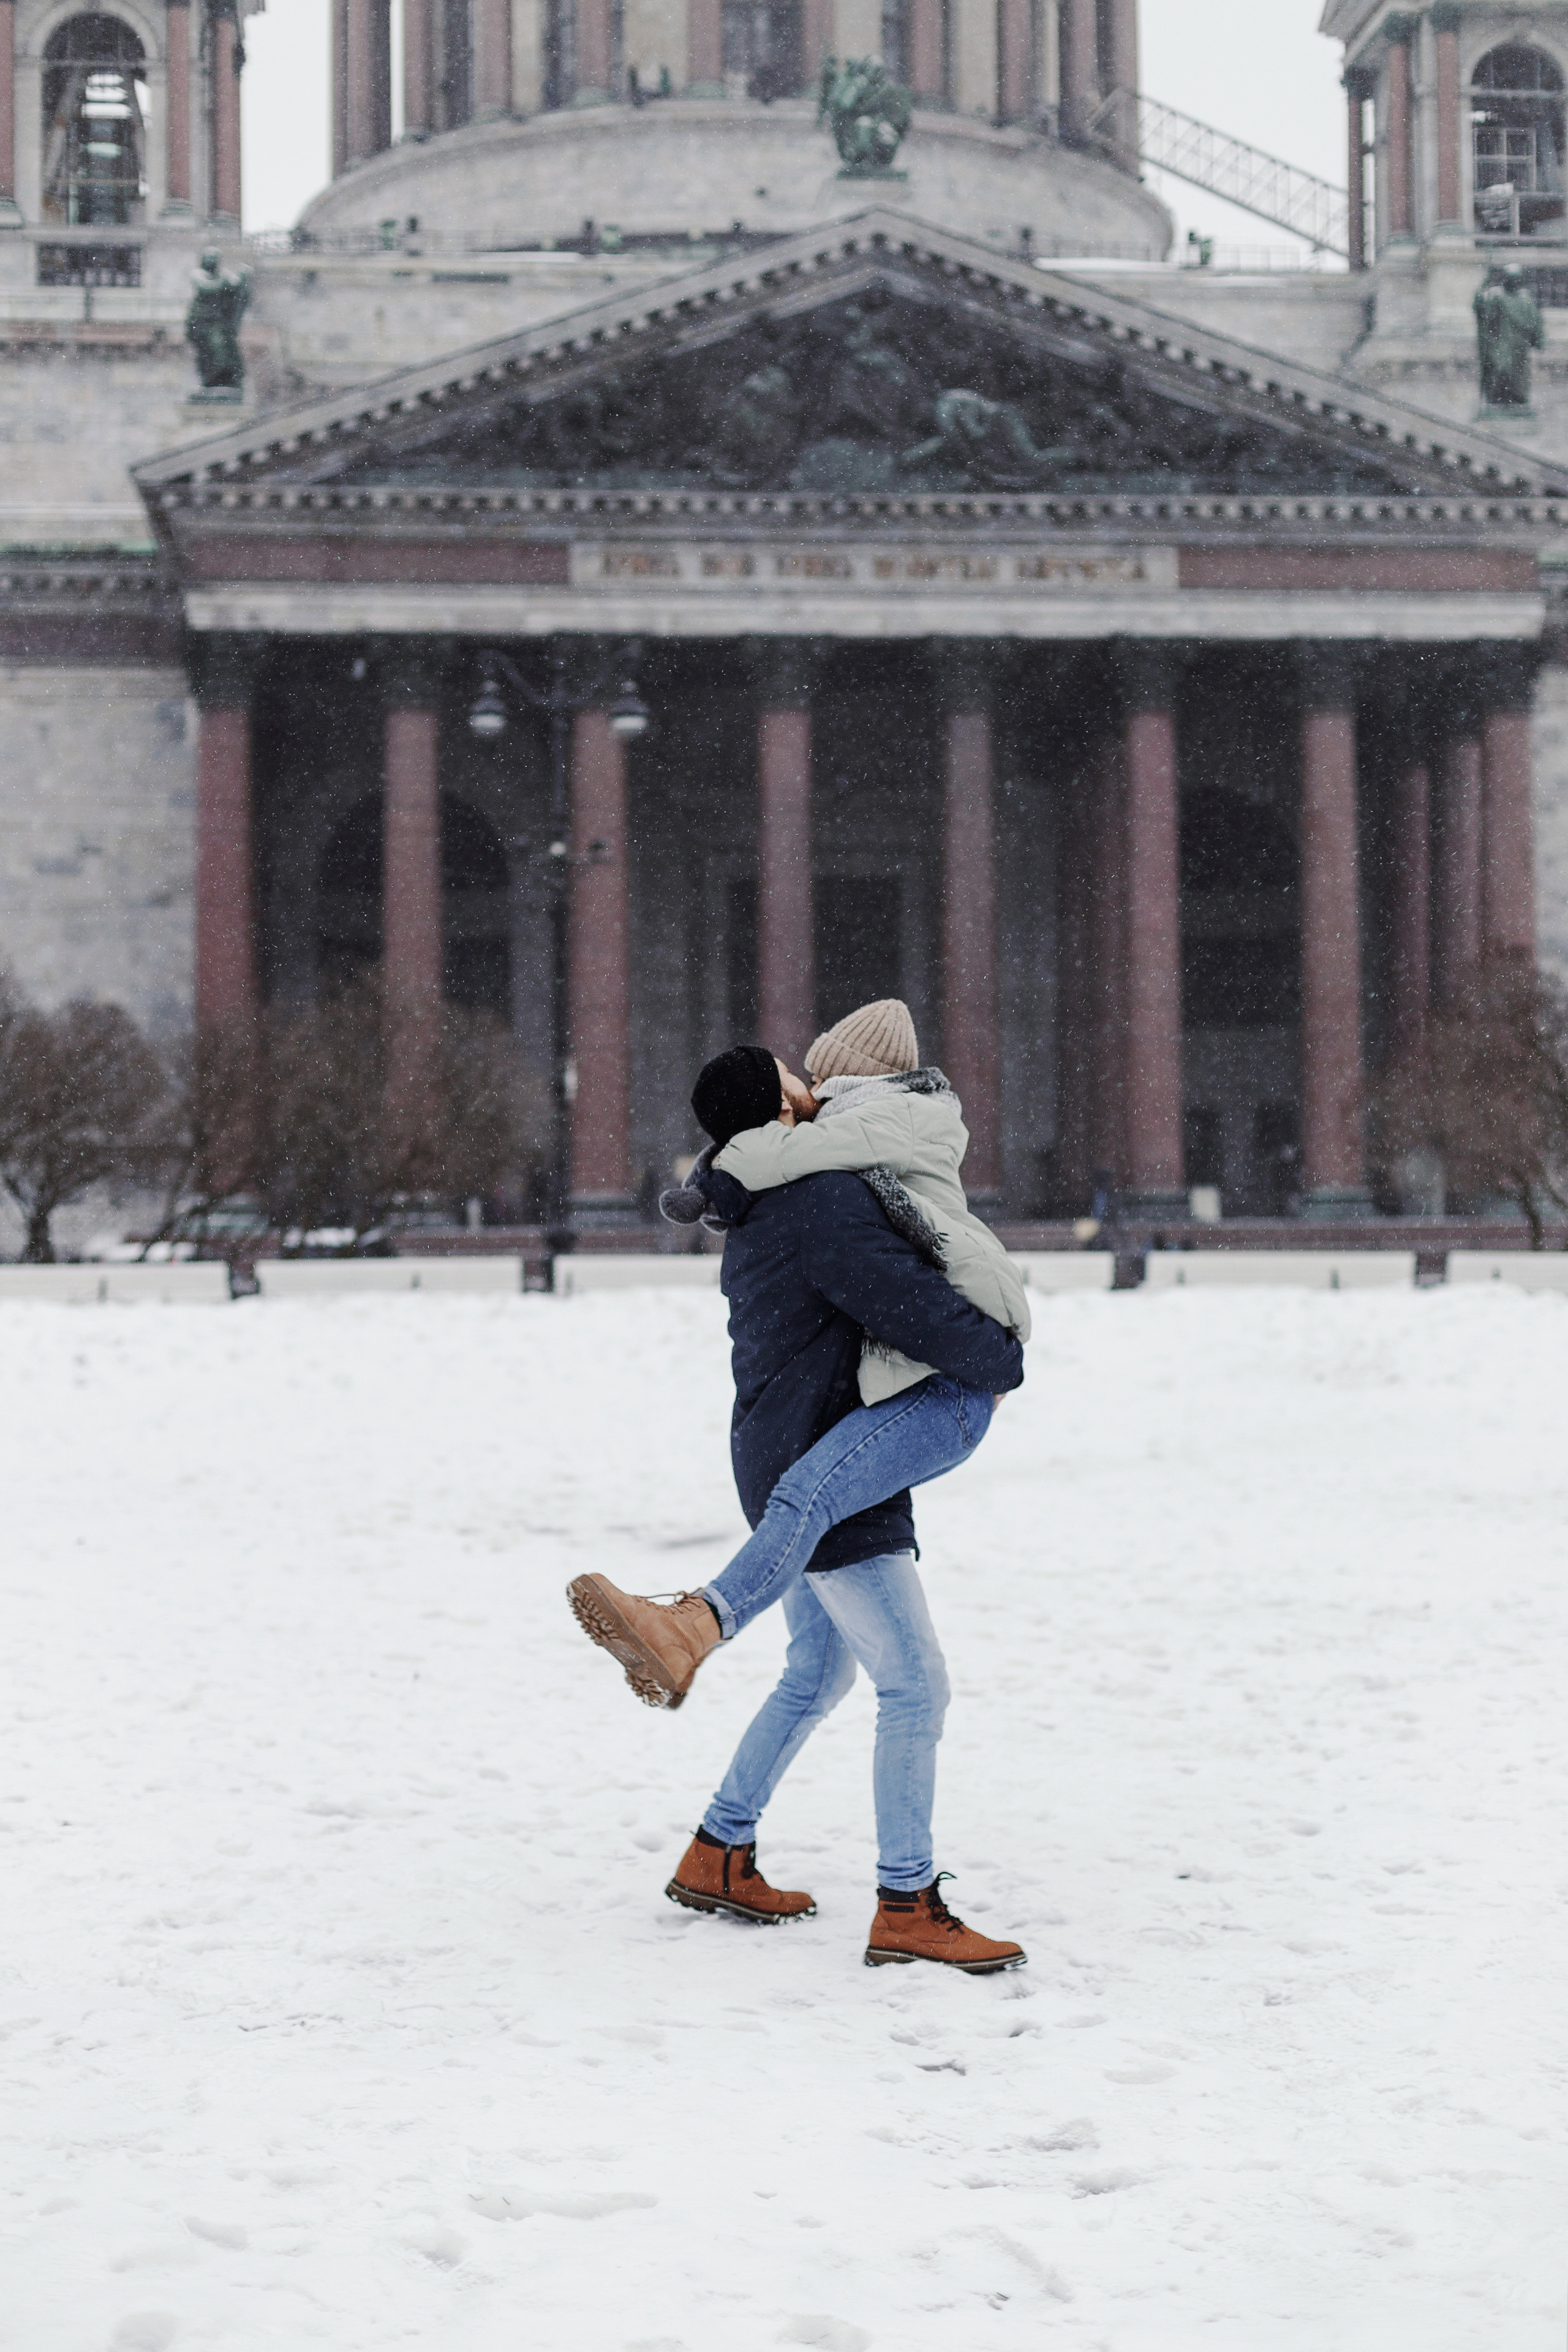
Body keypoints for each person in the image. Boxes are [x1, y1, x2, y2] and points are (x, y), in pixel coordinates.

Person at [567, 1002, 1028, 1973]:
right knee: (916, 1685)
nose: (810, 1084)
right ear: (780, 1104)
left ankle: (718, 1850)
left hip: (780, 1447)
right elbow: (903, 1298)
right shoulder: (821, 1200)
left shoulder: (767, 1197)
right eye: (793, 1076)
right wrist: (994, 1354)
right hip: (829, 1459)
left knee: (819, 1672)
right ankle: (908, 1902)